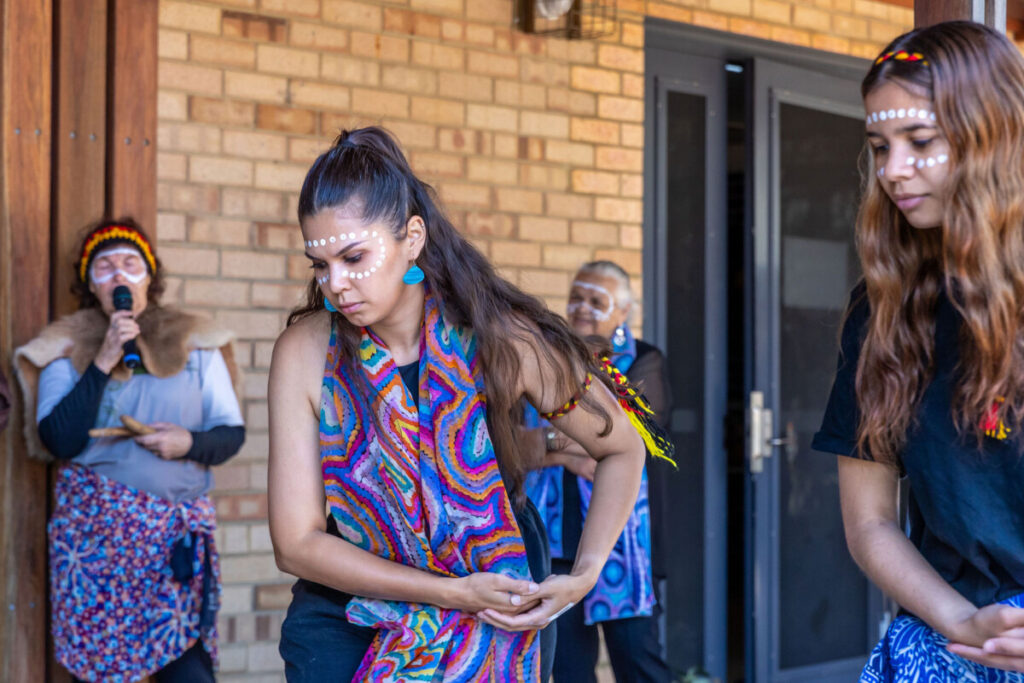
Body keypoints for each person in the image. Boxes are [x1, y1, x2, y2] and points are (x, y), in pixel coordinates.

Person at [267, 127, 659, 682]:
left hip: (501, 596)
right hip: (350, 605)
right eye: (320, 266)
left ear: (412, 238)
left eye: (354, 257)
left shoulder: (502, 339)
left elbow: (623, 445)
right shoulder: (305, 352)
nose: (337, 285)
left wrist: (587, 572)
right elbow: (297, 544)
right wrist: (451, 593)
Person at [812, 21, 1024, 680]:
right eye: (880, 145)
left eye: (920, 141)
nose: (892, 169)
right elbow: (870, 521)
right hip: (945, 638)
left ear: (992, 135)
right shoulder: (883, 312)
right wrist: (961, 621)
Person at [13, 218, 246, 682]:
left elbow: (230, 434)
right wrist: (102, 358)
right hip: (97, 550)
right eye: (104, 267)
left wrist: (188, 442)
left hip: (172, 548)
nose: (119, 275)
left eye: (129, 264)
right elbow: (58, 439)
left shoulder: (195, 342)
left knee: (188, 673)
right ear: (90, 284)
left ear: (149, 278)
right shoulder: (63, 348)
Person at [525, 261, 672, 683]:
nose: (582, 307)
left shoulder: (645, 360)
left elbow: (634, 432)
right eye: (576, 296)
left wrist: (555, 441)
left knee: (640, 666)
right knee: (568, 671)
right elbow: (512, 444)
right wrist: (568, 449)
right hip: (555, 544)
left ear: (623, 312)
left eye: (596, 300)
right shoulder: (544, 360)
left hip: (624, 545)